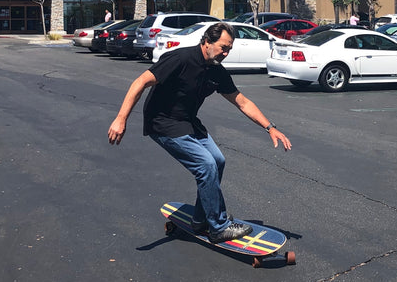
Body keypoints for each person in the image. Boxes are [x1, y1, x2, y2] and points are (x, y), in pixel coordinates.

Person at [108, 21, 292, 244]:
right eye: (223, 47)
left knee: (218, 160)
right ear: (206, 42)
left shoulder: (216, 71)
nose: (226, 53)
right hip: (162, 122)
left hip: (188, 122)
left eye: (229, 49)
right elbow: (141, 82)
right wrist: (121, 118)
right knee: (206, 165)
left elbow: (242, 102)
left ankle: (201, 218)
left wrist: (270, 128)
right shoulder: (180, 59)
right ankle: (218, 227)